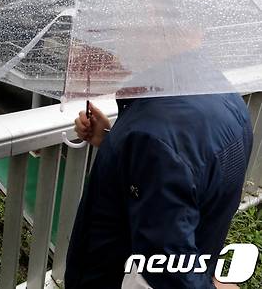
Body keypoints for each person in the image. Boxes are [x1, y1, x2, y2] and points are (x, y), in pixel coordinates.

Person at [65, 94, 253, 288]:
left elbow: (169, 260)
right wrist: (110, 139)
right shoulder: (225, 97)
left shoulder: (153, 137)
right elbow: (186, 178)